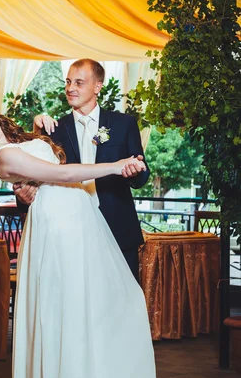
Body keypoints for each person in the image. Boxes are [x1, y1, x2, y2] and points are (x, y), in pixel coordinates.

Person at [0, 100, 159, 378]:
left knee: (104, 302)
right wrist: (115, 166)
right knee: (74, 309)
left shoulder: (13, 142)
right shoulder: (3, 156)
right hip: (60, 226)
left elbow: (44, 165)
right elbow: (62, 173)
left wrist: (36, 125)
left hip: (76, 218)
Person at [15, 59, 148, 282]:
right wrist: (23, 196)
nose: (70, 88)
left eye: (78, 82)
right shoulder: (54, 130)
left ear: (97, 86)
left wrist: (136, 171)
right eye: (68, 82)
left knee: (123, 302)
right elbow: (35, 180)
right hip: (70, 233)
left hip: (117, 227)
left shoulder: (124, 124)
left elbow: (142, 174)